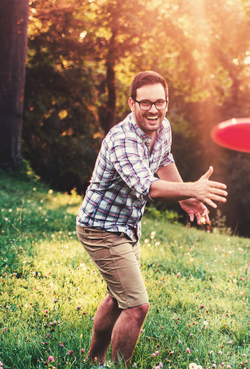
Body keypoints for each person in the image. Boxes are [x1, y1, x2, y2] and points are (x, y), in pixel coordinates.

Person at [76, 71, 228, 368]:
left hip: (127, 225)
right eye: (145, 103)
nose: (153, 110)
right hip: (101, 227)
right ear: (132, 103)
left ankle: (94, 361)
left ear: (166, 103)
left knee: (119, 297)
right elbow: (149, 187)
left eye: (160, 102)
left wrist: (186, 198)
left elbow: (164, 160)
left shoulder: (162, 127)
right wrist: (191, 188)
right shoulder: (123, 140)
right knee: (136, 306)